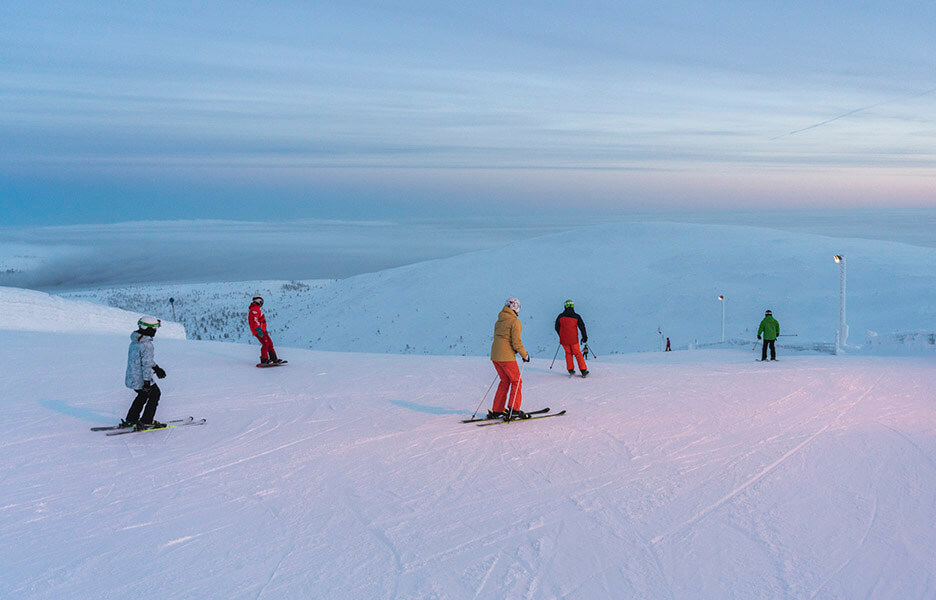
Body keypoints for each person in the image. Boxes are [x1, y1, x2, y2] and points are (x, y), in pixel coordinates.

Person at [488, 297, 531, 420]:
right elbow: (516, 343)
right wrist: (525, 355)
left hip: (495, 356)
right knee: (516, 381)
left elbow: (503, 339)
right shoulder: (514, 321)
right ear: (515, 307)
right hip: (506, 357)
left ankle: (497, 410)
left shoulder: (499, 321)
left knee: (505, 381)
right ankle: (514, 410)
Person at [122, 316, 168, 430]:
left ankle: (131, 419)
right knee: (155, 393)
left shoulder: (136, 341)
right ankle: (147, 420)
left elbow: (142, 360)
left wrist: (156, 368)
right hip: (141, 378)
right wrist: (147, 382)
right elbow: (146, 365)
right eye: (154, 329)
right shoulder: (147, 345)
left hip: (132, 377)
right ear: (147, 329)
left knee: (142, 395)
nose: (155, 331)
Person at [554, 299, 589, 377]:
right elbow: (582, 327)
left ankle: (570, 370)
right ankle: (583, 370)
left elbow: (556, 327)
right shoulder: (576, 316)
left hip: (564, 340)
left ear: (565, 306)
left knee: (568, 353)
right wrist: (584, 337)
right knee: (577, 353)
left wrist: (561, 335)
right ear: (572, 306)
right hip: (574, 340)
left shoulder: (560, 316)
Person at [249, 295, 285, 365]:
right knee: (265, 344)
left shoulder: (257, 309)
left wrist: (263, 329)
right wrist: (259, 329)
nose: (262, 303)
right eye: (261, 302)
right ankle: (264, 359)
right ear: (259, 301)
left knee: (269, 343)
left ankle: (274, 359)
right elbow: (255, 320)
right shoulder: (254, 309)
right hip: (258, 330)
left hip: (262, 330)